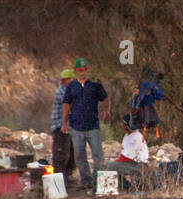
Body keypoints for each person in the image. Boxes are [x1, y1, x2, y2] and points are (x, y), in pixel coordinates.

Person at [59, 57, 110, 191]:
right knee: (80, 156)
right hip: (76, 127)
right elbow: (66, 104)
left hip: (93, 125)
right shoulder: (71, 86)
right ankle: (86, 180)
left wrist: (106, 111)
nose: (83, 71)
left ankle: (98, 181)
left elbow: (105, 98)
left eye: (85, 69)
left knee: (98, 155)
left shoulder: (95, 83)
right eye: (80, 69)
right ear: (76, 71)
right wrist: (64, 123)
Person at [49, 66, 77, 183]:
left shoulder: (68, 90)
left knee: (72, 152)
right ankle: (59, 180)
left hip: (70, 128)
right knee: (60, 154)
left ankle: (68, 176)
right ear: (66, 80)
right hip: (61, 127)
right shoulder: (61, 92)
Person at [110, 111, 151, 189]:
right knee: (112, 166)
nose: (121, 125)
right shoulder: (127, 136)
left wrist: (114, 163)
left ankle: (126, 186)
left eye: (122, 123)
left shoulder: (135, 137)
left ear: (126, 125)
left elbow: (126, 157)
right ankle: (125, 186)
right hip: (132, 162)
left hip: (138, 165)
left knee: (108, 166)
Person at [130, 68, 165, 139]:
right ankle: (144, 138)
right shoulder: (151, 84)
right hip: (145, 105)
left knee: (149, 121)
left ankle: (143, 138)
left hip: (142, 105)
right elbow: (159, 95)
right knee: (149, 121)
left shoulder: (146, 84)